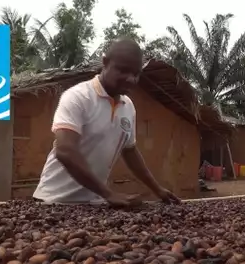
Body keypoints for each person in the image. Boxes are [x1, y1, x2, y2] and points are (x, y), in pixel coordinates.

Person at [33, 38, 181, 207]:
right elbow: (65, 151)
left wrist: (157, 189)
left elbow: (130, 151)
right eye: (123, 70)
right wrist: (109, 194)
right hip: (53, 202)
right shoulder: (77, 97)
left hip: (93, 204)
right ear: (105, 62)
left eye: (136, 74)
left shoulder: (128, 107)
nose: (131, 79)